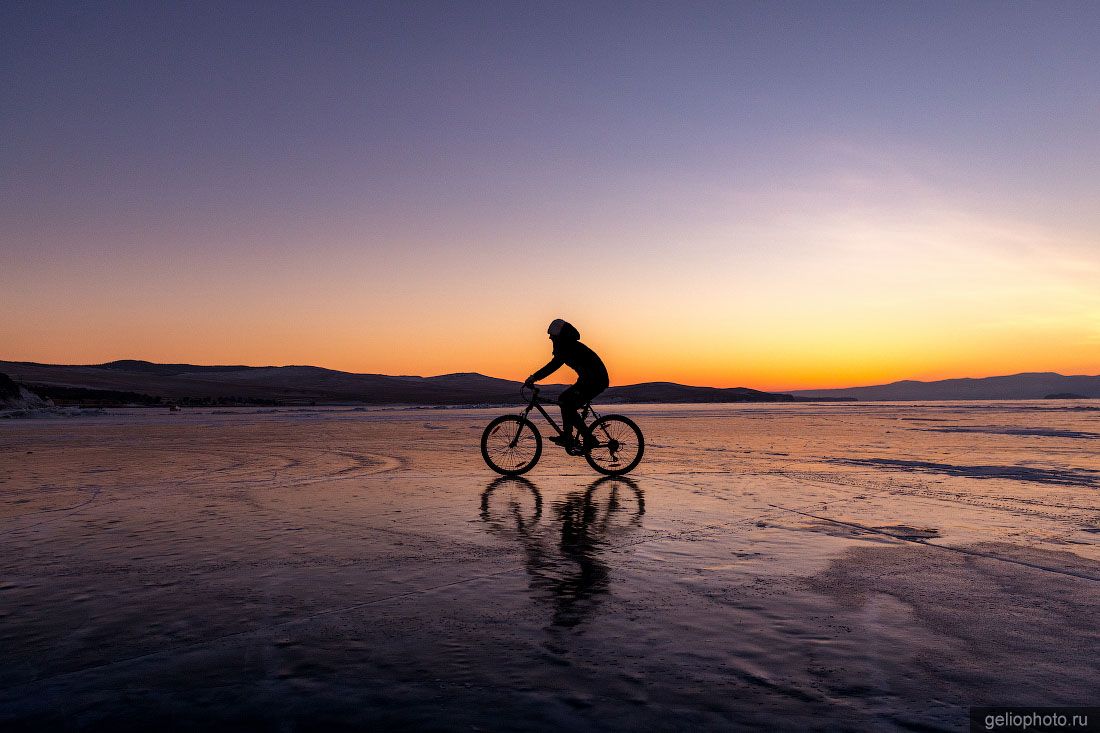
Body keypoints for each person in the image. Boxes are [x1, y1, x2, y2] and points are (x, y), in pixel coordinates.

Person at [524, 319, 609, 449]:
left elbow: (554, 365)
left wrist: (534, 377)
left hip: (595, 381)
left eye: (552, 336)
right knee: (565, 401)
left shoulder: (568, 347)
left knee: (567, 403)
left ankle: (580, 437)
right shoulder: (569, 346)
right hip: (589, 380)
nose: (550, 338)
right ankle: (571, 436)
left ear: (559, 336)